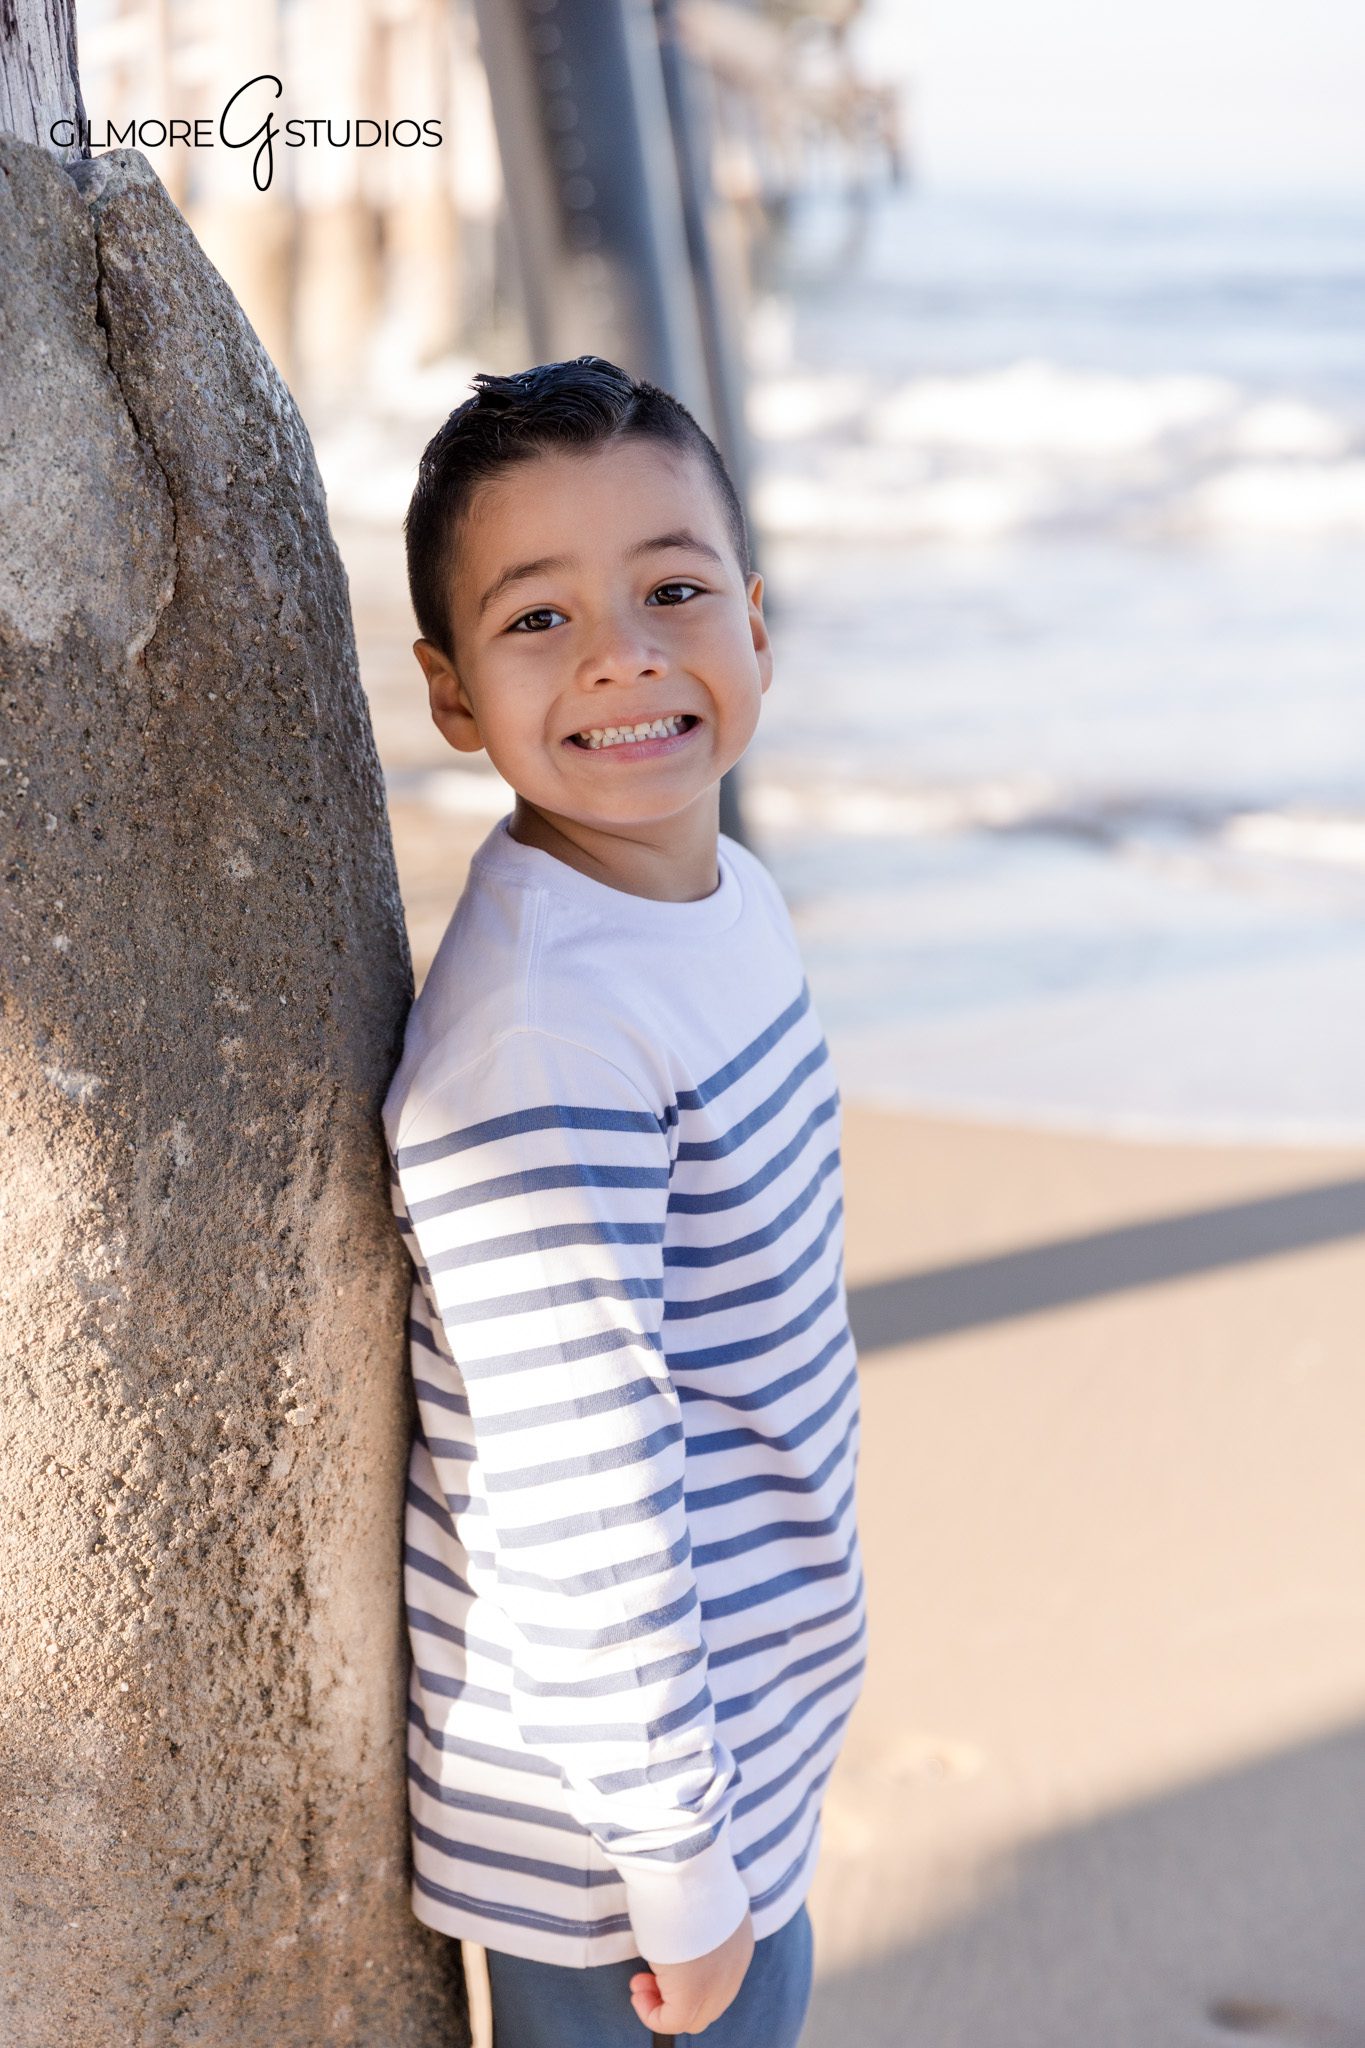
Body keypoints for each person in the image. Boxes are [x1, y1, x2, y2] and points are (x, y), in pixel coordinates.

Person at [382, 356, 866, 2047]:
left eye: (671, 590)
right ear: (451, 697)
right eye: (537, 622)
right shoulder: (547, 1033)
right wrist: (678, 1865)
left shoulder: (721, 898)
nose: (620, 655)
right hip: (620, 1851)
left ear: (754, 619)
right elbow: (581, 1485)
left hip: (734, 1756)